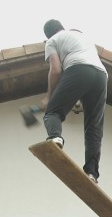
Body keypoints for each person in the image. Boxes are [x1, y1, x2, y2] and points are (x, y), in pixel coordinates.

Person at [41, 19, 108, 183]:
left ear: (48, 34)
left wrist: (49, 95)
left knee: (52, 112)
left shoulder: (52, 41)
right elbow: (87, 71)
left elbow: (56, 70)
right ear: (61, 27)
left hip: (78, 69)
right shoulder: (81, 37)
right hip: (101, 76)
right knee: (93, 126)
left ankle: (55, 137)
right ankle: (91, 173)